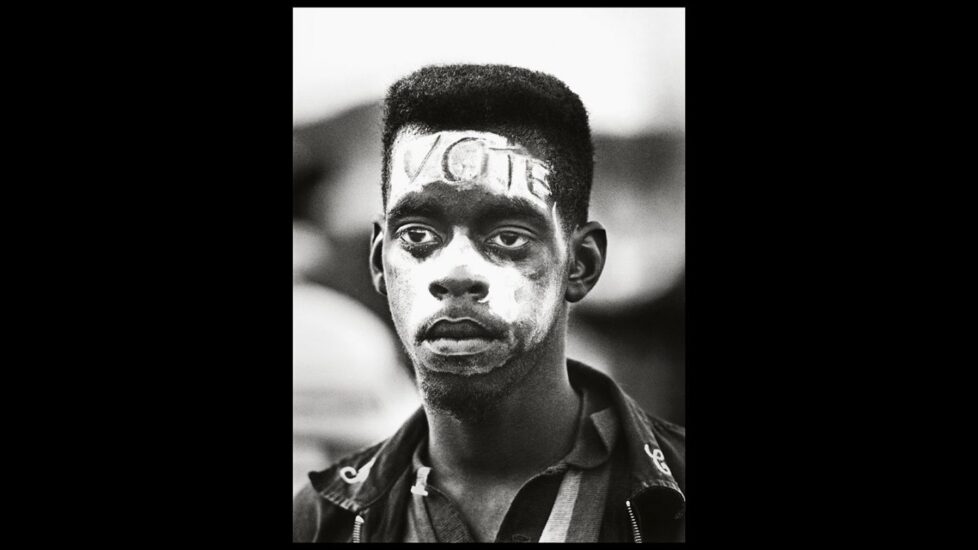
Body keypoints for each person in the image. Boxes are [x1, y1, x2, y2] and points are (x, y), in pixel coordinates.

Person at [292, 64, 685, 543]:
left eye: (508, 236)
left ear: (580, 263)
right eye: (418, 234)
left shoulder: (672, 502)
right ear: (379, 260)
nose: (456, 272)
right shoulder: (319, 520)